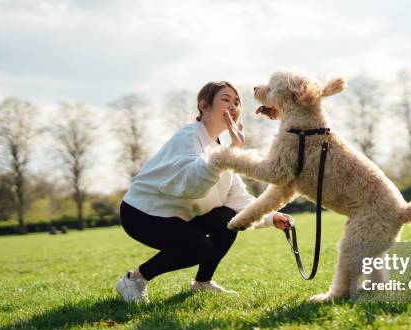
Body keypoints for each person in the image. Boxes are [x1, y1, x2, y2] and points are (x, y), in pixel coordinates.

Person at [116, 81, 293, 303]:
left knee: (231, 219)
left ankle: (202, 283)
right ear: (204, 105)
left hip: (177, 217)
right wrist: (232, 151)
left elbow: (238, 199)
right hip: (142, 214)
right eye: (225, 99)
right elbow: (192, 186)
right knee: (199, 247)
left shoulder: (221, 149)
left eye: (236, 102)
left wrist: (272, 217)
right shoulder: (188, 137)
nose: (232, 106)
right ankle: (134, 279)